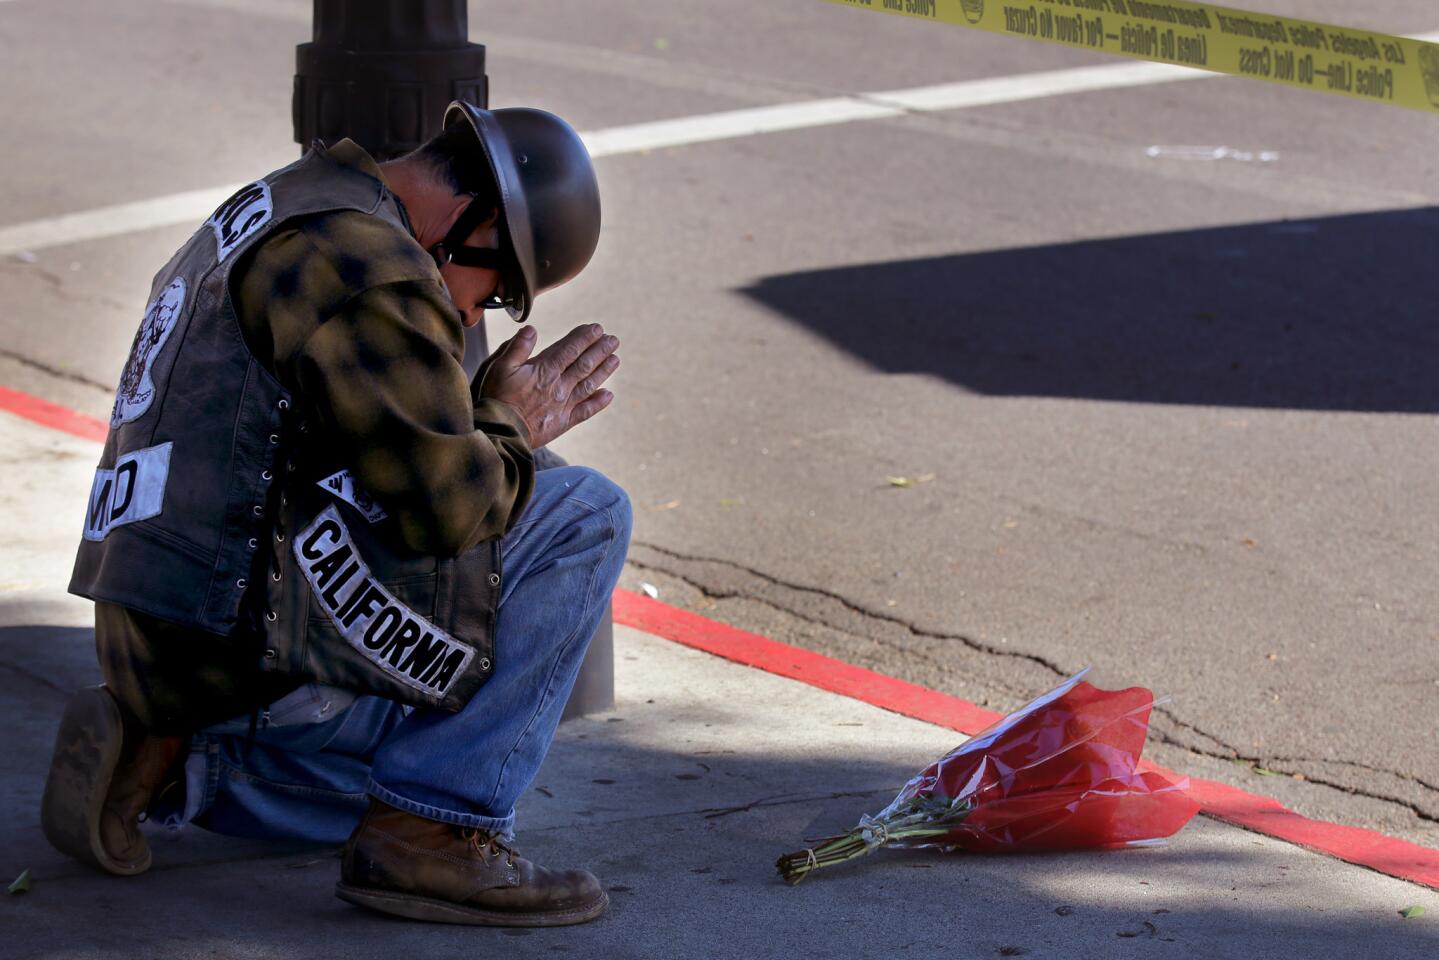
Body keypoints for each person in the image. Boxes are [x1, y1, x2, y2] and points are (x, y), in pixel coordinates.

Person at [40, 101, 630, 928]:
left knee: (379, 786)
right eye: (495, 288)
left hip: (166, 636)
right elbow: (446, 510)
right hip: (238, 640)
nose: (472, 315)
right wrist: (512, 424)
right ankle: (431, 830)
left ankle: (183, 759)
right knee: (583, 510)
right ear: (479, 219)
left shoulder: (292, 201)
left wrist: (494, 432)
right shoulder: (372, 270)